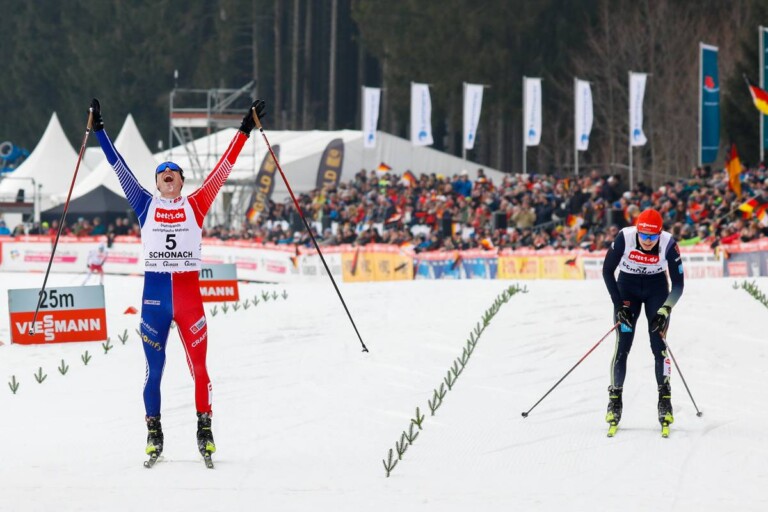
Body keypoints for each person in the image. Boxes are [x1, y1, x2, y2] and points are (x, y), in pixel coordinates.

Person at [89, 97, 266, 461]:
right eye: (162, 172)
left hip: (188, 298)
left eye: (173, 172)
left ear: (182, 182)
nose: (167, 174)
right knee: (154, 372)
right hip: (154, 299)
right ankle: (154, 432)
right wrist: (101, 132)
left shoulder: (197, 204)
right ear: (156, 182)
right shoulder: (144, 204)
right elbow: (117, 166)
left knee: (199, 367)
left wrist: (245, 130)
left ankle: (205, 428)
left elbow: (224, 168)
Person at [601, 207, 685, 431]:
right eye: (644, 235)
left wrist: (665, 309)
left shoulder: (668, 244)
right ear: (637, 231)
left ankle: (664, 399)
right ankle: (615, 399)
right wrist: (618, 306)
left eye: (653, 236)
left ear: (660, 233)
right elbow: (607, 271)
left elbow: (678, 285)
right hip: (627, 289)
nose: (648, 241)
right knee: (622, 346)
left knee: (659, 347)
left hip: (656, 290)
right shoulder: (624, 237)